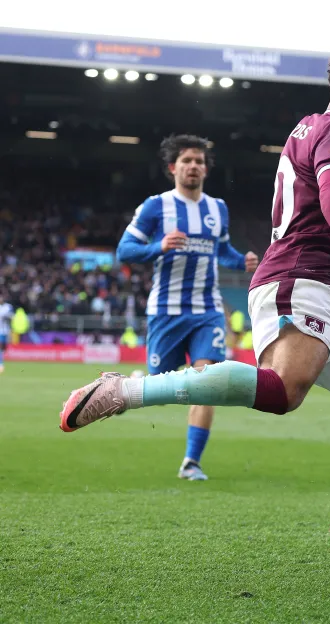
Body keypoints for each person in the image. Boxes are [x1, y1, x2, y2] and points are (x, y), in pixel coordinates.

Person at [60, 41, 330, 567]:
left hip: (322, 288)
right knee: (282, 391)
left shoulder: (311, 129)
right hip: (299, 278)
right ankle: (123, 389)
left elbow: (319, 207)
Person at [115, 134, 260, 481]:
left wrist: (243, 262)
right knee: (159, 386)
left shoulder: (217, 208)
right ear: (172, 168)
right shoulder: (156, 207)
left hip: (207, 309)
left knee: (206, 380)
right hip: (166, 309)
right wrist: (158, 247)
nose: (193, 166)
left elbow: (221, 251)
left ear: (206, 169)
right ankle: (138, 382)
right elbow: (125, 250)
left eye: (199, 161)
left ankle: (191, 462)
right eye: (186, 161)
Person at [0, 294, 12, 375]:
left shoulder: (8, 307)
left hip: (5, 331)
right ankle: (1, 364)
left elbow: (12, 316)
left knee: (3, 348)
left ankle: (1, 362)